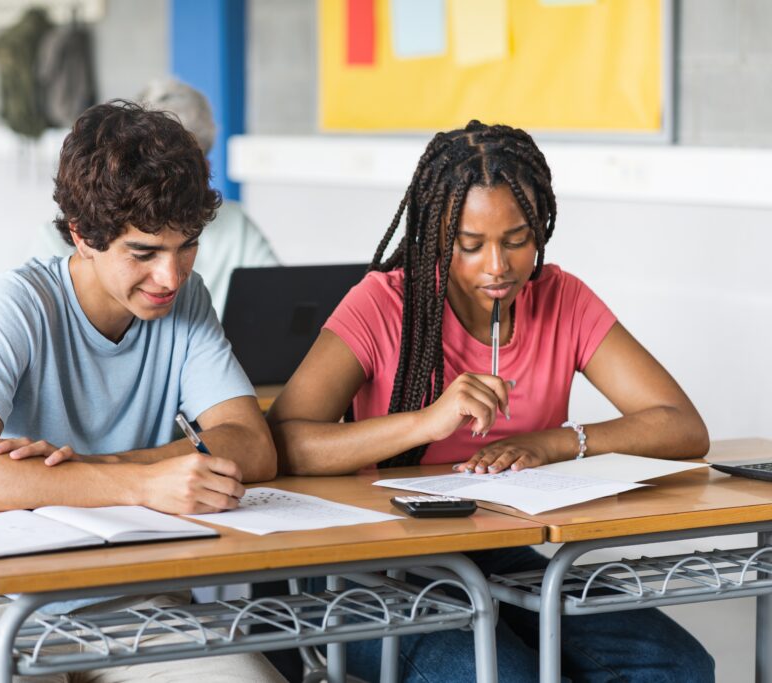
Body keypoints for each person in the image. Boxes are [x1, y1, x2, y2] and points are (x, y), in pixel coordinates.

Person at [267, 121, 714, 682]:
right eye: (470, 245)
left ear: (542, 229)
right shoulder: (382, 304)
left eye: (517, 239)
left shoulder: (562, 298)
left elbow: (681, 426)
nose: (498, 266)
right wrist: (425, 423)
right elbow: (281, 445)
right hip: (368, 560)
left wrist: (554, 442)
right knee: (500, 675)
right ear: (435, 236)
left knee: (678, 666)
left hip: (494, 550)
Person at [0, 101, 284, 682]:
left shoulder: (189, 300)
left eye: (187, 246)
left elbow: (251, 445)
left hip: (136, 600)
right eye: (144, 252)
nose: (171, 277)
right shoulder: (16, 303)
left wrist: (100, 466)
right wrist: (139, 485)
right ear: (82, 235)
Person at [33, 77, 278, 318]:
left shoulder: (194, 295)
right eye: (143, 253)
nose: (171, 281)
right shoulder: (38, 280)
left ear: (205, 166)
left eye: (186, 166)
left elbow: (283, 295)